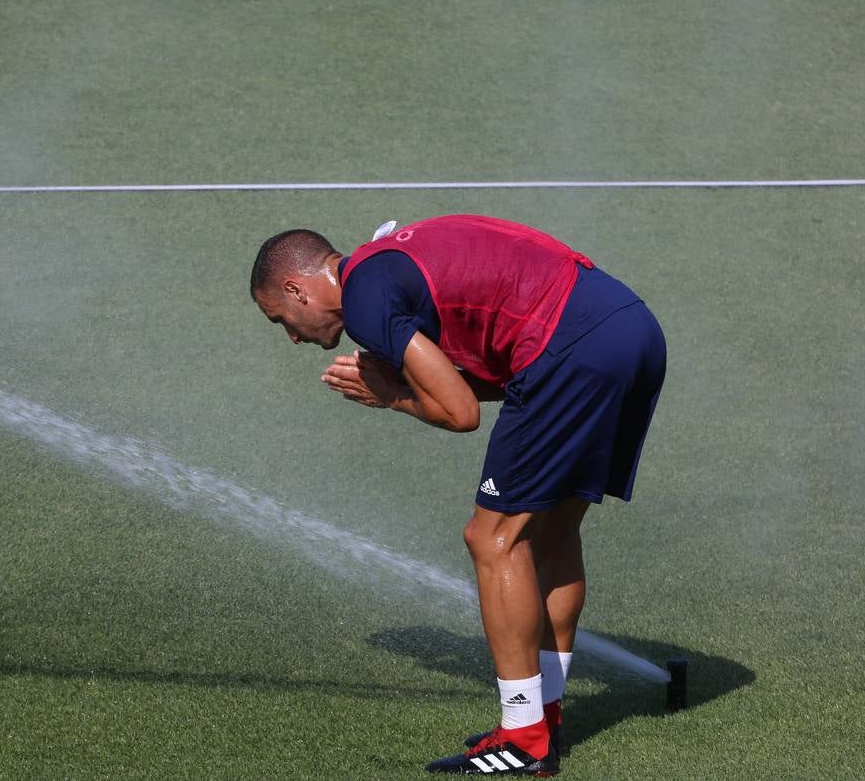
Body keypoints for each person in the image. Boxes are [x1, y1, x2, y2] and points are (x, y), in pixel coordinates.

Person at [250, 214, 666, 776]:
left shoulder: (366, 295)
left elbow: (461, 412)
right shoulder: (387, 270)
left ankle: (522, 739)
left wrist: (390, 396)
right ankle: (544, 717)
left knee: (493, 539)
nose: (293, 336)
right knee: (549, 530)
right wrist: (406, 385)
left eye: (282, 317)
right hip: (631, 329)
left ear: (297, 288)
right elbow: (502, 374)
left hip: (575, 344)